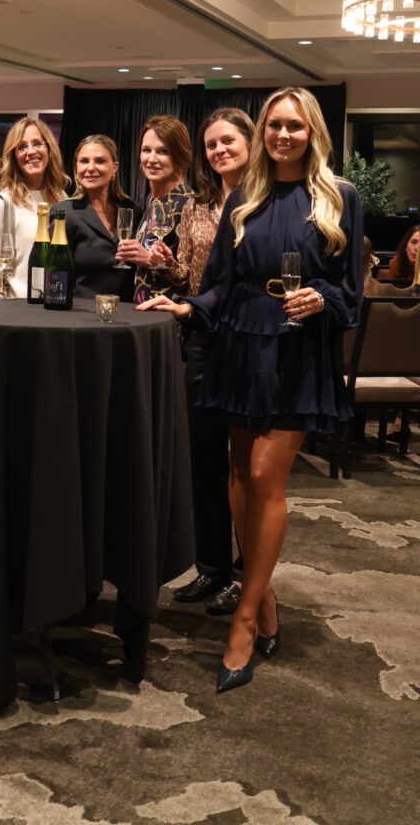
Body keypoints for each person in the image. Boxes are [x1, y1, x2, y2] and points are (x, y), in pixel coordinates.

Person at [138, 86, 363, 693]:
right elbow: (218, 282)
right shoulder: (245, 197)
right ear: (264, 131)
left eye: (294, 125)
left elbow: (353, 291)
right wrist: (186, 308)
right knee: (238, 475)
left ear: (312, 130)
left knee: (265, 476)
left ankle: (243, 618)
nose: (283, 135)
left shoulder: (340, 197)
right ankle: (265, 603)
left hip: (297, 346)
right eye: (274, 125)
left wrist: (326, 297)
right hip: (241, 341)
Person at [143, 109, 254, 616]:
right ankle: (211, 567)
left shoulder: (267, 202)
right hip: (204, 341)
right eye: (212, 145)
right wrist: (161, 266)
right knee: (202, 460)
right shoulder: (201, 204)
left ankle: (246, 574)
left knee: (247, 468)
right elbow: (189, 276)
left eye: (228, 141)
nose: (219, 151)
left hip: (252, 342)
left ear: (250, 143)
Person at [0, 117, 69, 297]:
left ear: (49, 148)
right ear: (14, 156)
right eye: (22, 147)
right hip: (19, 308)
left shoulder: (63, 199)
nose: (30, 151)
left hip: (57, 303)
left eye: (37, 143)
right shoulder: (3, 203)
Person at [115, 115, 193, 301]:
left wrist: (151, 260)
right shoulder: (154, 201)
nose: (151, 159)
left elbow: (193, 276)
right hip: (145, 311)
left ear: (179, 156)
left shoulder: (190, 204)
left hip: (170, 316)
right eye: (146, 150)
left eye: (163, 151)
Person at [57, 134, 141, 300]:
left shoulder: (132, 209)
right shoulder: (64, 213)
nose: (90, 168)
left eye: (100, 161)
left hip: (127, 314)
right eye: (84, 161)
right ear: (76, 167)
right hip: (82, 316)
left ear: (114, 167)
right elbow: (57, 275)